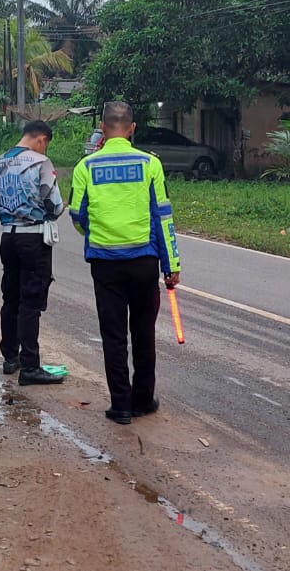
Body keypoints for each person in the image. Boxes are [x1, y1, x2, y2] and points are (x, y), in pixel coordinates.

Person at [69, 102, 181, 424]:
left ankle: (120, 405)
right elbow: (163, 216)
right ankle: (143, 400)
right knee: (143, 333)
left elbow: (77, 214)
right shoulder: (150, 164)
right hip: (145, 262)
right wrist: (171, 264)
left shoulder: (86, 167)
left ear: (102, 129)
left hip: (105, 264)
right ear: (132, 129)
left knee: (114, 336)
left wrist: (99, 232)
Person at [0, 120, 67, 386]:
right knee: (31, 302)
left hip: (7, 238)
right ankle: (30, 366)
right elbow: (53, 205)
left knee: (10, 297)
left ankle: (11, 357)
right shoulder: (41, 163)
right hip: (33, 239)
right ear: (42, 139)